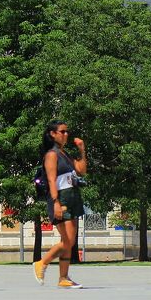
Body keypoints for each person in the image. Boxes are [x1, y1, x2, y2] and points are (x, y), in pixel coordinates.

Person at [33, 120, 87, 289]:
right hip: (61, 198)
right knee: (68, 241)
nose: (66, 134)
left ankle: (63, 278)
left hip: (72, 197)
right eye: (62, 132)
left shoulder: (65, 154)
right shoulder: (51, 155)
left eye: (66, 132)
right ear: (52, 134)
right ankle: (41, 263)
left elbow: (81, 170)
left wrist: (82, 150)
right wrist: (55, 202)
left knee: (69, 241)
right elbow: (51, 179)